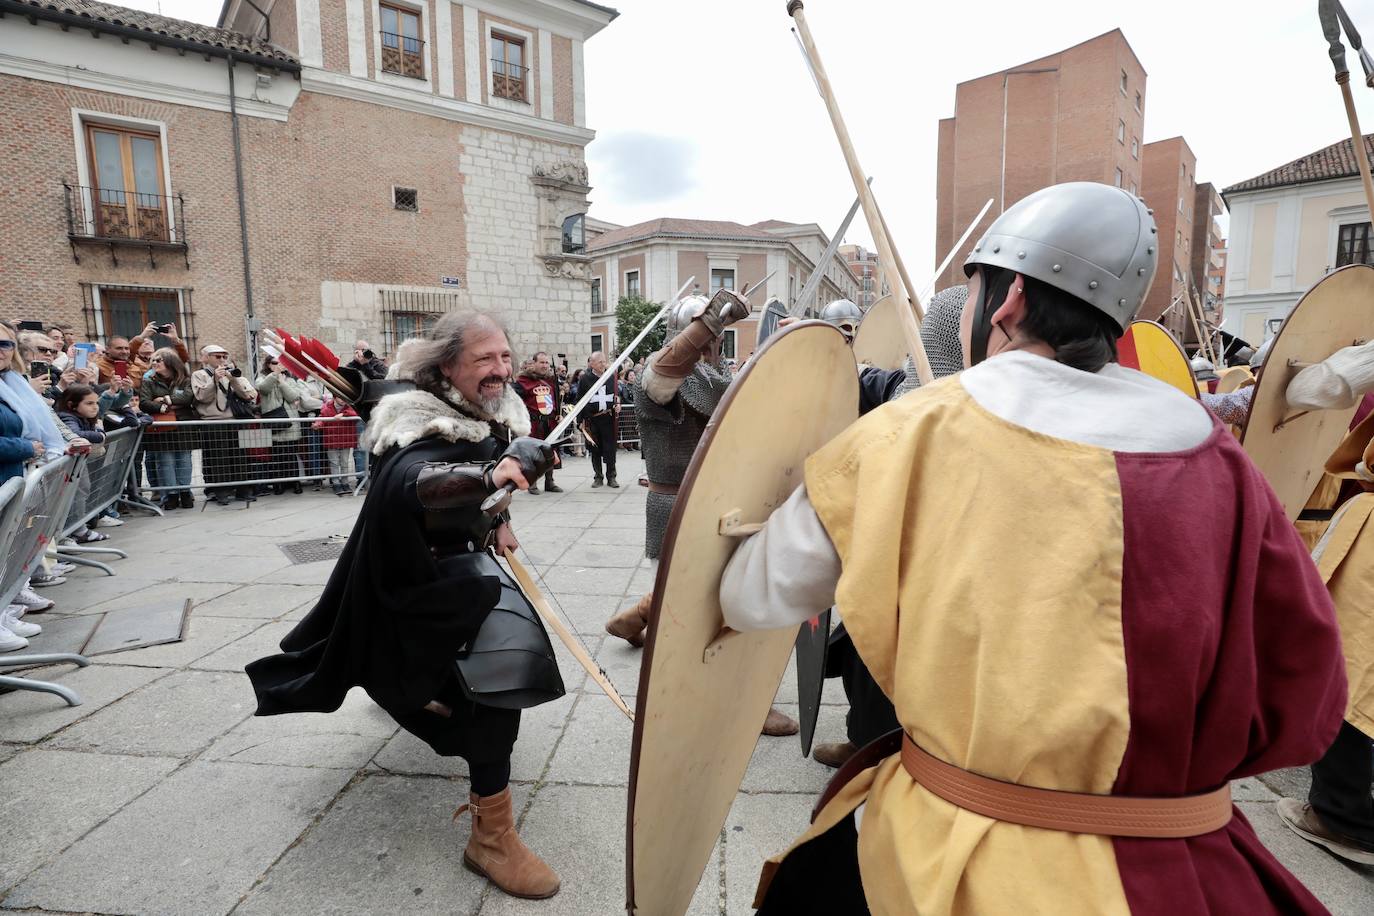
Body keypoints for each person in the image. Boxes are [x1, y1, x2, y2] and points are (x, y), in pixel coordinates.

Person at [717, 182, 1345, 914]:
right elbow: (1310, 689)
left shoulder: (907, 433)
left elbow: (750, 595)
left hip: (945, 859)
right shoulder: (1223, 463)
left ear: (1008, 299)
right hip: (1182, 868)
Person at [246, 312, 565, 900]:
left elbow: (482, 488)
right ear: (448, 366)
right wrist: (490, 473)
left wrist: (497, 518)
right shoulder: (413, 418)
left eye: (504, 357)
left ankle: (405, 692)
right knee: (497, 688)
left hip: (461, 567)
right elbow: (412, 481)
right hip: (409, 574)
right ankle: (490, 840)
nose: (499, 370)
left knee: (477, 681)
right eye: (484, 360)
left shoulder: (486, 408)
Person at [811, 284, 970, 770]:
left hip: (927, 566)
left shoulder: (962, 411)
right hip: (899, 564)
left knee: (901, 662)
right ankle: (866, 744)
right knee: (867, 658)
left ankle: (887, 756)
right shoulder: (913, 391)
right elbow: (882, 381)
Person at [192, 345, 258, 505]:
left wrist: (233, 380)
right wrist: (213, 379)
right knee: (218, 458)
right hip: (213, 421)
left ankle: (243, 489)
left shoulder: (231, 374)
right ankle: (221, 491)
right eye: (217, 356)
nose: (222, 360)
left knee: (240, 457)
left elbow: (249, 396)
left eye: (224, 357)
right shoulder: (199, 374)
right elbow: (201, 397)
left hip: (234, 420)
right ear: (205, 358)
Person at [140, 348, 197, 510]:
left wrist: (165, 399)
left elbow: (188, 398)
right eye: (153, 360)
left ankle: (185, 492)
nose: (155, 363)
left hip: (182, 425)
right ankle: (171, 495)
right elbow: (144, 403)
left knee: (184, 459)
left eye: (159, 360)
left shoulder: (185, 379)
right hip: (162, 425)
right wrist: (165, 408)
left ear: (171, 363)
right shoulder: (149, 380)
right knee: (165, 461)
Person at [255, 355, 310, 496]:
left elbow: (293, 397)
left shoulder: (290, 380)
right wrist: (275, 375)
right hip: (274, 420)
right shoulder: (262, 378)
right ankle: (278, 484)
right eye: (274, 363)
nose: (278, 365)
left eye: (281, 363)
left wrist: (282, 382)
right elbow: (263, 389)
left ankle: (295, 482)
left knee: (291, 455)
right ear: (268, 364)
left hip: (290, 421)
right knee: (277, 456)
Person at [512, 351, 562, 494]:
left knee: (550, 451)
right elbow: (515, 402)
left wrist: (558, 414)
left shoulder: (551, 380)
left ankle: (550, 481)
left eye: (546, 362)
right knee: (533, 454)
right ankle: (531, 483)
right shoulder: (523, 381)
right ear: (533, 363)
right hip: (533, 423)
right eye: (541, 362)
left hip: (549, 422)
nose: (545, 365)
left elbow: (555, 399)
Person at [573, 351, 619, 487]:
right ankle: (598, 477)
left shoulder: (611, 377)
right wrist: (580, 421)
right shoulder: (585, 379)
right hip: (593, 420)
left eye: (604, 361)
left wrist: (618, 404)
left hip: (608, 419)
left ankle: (611, 477)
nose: (603, 364)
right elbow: (579, 400)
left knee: (610, 449)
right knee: (595, 449)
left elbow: (616, 396)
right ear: (592, 363)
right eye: (600, 362)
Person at [314, 396, 360, 495]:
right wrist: (318, 424)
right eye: (340, 398)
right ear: (334, 398)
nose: (343, 400)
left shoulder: (349, 406)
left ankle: (345, 483)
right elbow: (322, 418)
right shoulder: (327, 408)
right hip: (332, 440)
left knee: (344, 463)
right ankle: (336, 484)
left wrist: (343, 414)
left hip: (345, 440)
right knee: (334, 463)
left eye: (343, 398)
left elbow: (356, 413)